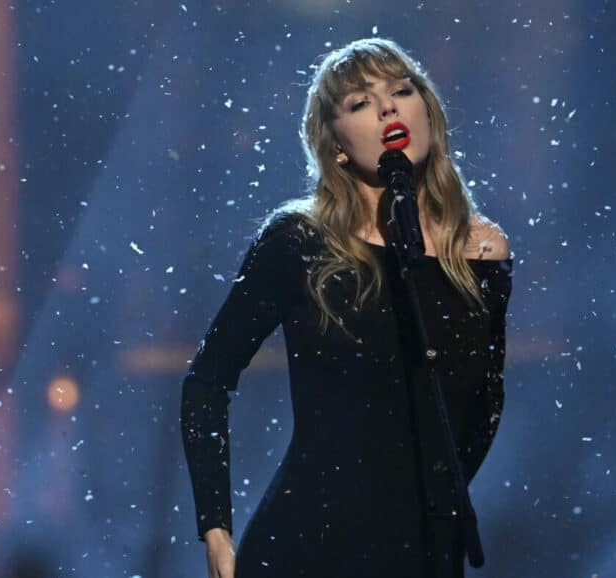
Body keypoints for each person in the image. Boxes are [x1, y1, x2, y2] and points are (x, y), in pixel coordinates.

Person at [180, 37, 513, 578]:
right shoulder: (299, 242)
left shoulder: (481, 251)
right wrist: (216, 531)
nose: (387, 108)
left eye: (402, 91)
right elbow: (207, 380)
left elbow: (483, 404)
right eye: (360, 102)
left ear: (427, 112)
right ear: (336, 145)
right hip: (308, 544)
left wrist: (431, 508)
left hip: (424, 551)